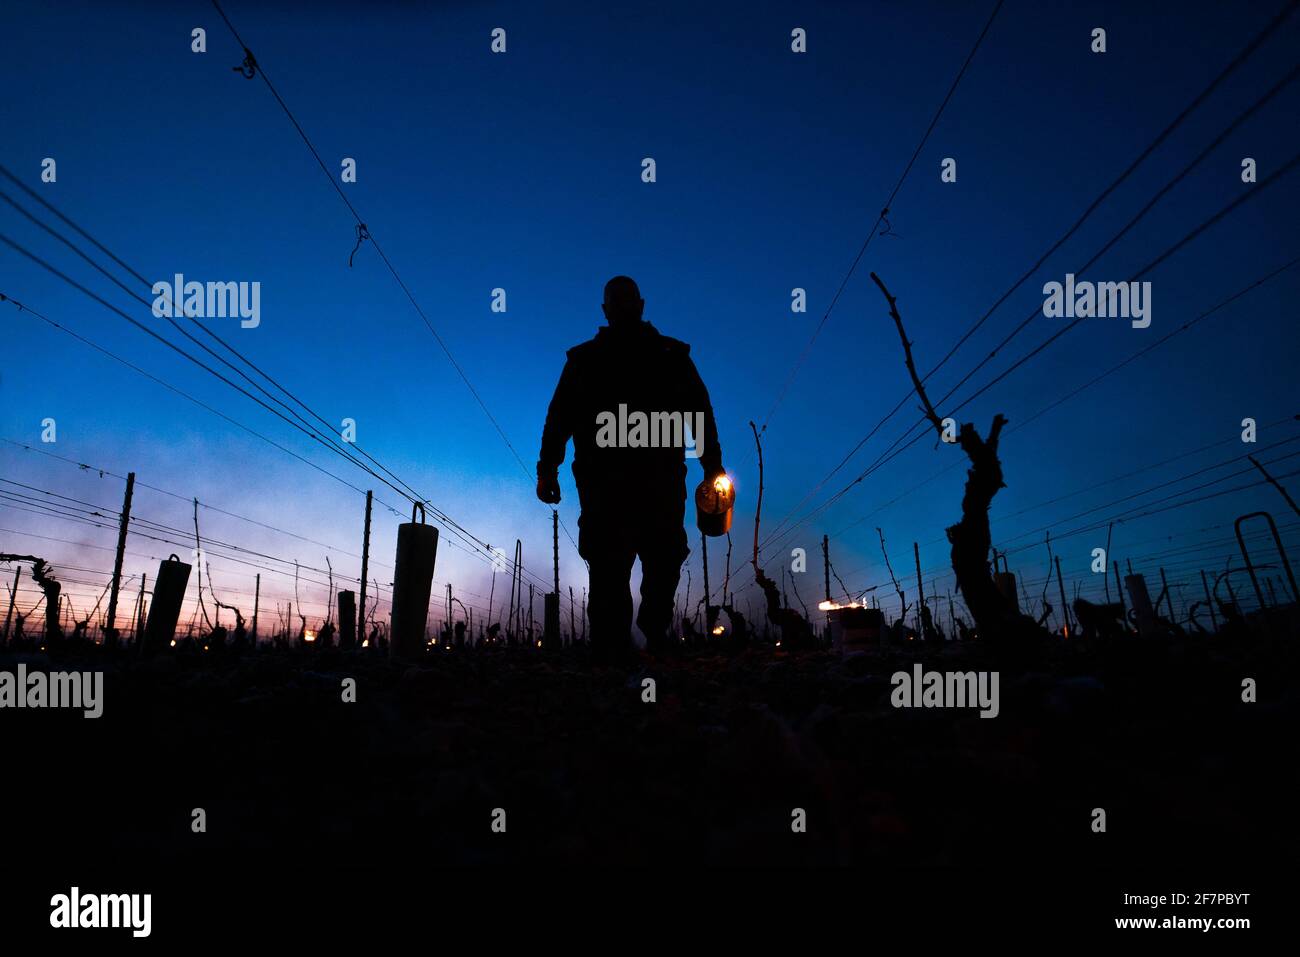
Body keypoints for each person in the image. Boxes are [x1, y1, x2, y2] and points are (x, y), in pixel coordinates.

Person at [537, 276, 725, 662]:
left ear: (637, 307)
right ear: (612, 310)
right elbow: (559, 419)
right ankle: (617, 646)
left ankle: (644, 634)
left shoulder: (668, 356)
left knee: (657, 559)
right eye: (617, 304)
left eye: (625, 303)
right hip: (617, 485)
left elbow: (700, 415)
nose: (621, 310)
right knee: (616, 564)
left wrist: (712, 470)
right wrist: (547, 469)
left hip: (644, 482)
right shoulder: (590, 361)